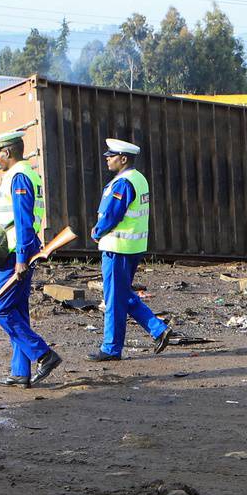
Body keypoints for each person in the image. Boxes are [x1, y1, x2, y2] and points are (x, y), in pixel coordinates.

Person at [87, 139, 172, 362]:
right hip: (133, 247)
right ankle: (157, 329)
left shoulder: (123, 182)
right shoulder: (139, 179)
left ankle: (111, 348)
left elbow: (112, 215)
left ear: (123, 159)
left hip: (117, 248)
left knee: (114, 298)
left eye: (111, 156)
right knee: (122, 293)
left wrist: (97, 232)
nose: (107, 158)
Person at [0, 130, 59, 388]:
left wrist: (20, 259)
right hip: (20, 250)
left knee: (0, 308)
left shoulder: (18, 177)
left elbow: (23, 221)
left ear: (6, 152)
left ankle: (44, 355)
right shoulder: (26, 174)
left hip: (17, 252)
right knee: (17, 310)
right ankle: (20, 372)